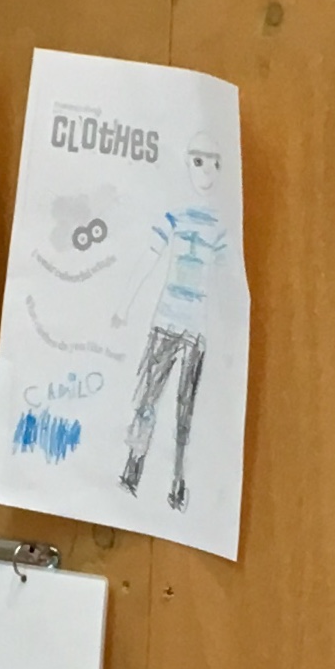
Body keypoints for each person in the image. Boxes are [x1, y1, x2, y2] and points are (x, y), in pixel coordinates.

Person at [108, 133, 230, 511]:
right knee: (147, 398)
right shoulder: (174, 215)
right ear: (187, 163)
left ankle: (178, 482)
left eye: (214, 163)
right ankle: (133, 466)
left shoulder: (221, 228)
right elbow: (149, 256)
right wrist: (124, 305)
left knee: (185, 412)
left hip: (197, 331)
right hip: (165, 322)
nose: (206, 171)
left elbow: (225, 282)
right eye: (198, 162)